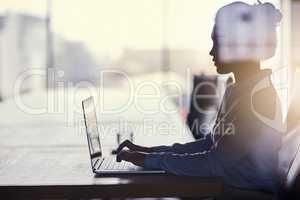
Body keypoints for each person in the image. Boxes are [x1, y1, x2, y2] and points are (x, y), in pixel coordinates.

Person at [116, 1, 283, 193]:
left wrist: (148, 160)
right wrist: (150, 152)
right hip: (229, 188)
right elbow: (212, 145)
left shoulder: (258, 98)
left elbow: (215, 162)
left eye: (217, 43)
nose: (211, 52)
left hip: (248, 195)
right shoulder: (240, 89)